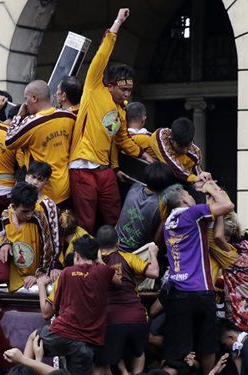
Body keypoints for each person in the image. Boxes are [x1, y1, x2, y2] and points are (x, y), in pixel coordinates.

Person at [68, 8, 141, 232]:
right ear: (110, 85)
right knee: (86, 221)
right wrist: (118, 22)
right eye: (123, 89)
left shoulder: (121, 111)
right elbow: (103, 54)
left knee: (113, 216)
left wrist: (145, 155)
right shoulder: (94, 88)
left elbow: (123, 140)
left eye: (130, 90)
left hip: (105, 170)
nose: (127, 94)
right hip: (81, 166)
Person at [159, 180, 234, 373]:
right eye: (190, 194)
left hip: (178, 292)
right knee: (207, 345)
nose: (193, 196)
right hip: (201, 290)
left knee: (177, 347)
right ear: (184, 199)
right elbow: (228, 205)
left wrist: (210, 197)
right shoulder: (193, 213)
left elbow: (214, 217)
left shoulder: (168, 221)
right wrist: (210, 188)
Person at [35, 236, 116, 375]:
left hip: (62, 334)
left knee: (33, 338)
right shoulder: (104, 272)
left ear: (76, 255)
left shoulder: (66, 273)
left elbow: (46, 313)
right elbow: (116, 277)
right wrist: (98, 259)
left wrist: (41, 285)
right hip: (87, 343)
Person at [94, 225, 159, 375]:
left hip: (111, 320)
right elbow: (154, 273)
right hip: (137, 316)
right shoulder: (127, 257)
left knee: (108, 357)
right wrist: (152, 253)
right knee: (139, 353)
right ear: (118, 242)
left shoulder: (94, 264)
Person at [5, 80, 75, 205]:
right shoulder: (69, 117)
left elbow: (9, 141)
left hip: (41, 191)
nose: (25, 103)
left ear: (34, 98)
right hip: (65, 188)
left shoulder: (32, 123)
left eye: (26, 99)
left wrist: (18, 116)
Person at [0, 183, 56, 292]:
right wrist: (5, 243)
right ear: (13, 206)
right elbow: (5, 234)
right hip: (15, 277)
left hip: (34, 278)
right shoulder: (5, 216)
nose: (29, 214)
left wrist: (39, 275)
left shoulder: (39, 217)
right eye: (24, 211)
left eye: (32, 209)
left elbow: (48, 248)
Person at [116, 162, 177, 253]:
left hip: (115, 246)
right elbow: (157, 241)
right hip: (137, 254)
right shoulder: (162, 204)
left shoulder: (134, 188)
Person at [151, 117, 210, 185]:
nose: (184, 150)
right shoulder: (161, 135)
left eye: (188, 146)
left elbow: (198, 175)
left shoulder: (195, 153)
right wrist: (195, 178)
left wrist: (205, 181)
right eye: (180, 146)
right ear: (172, 140)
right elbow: (171, 164)